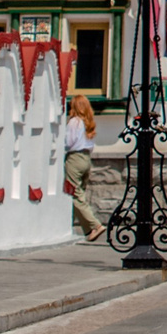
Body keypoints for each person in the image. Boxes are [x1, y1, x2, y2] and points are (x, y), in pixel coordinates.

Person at [64, 94, 104, 243]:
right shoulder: (89, 122)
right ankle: (89, 229)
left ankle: (95, 225)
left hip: (75, 158)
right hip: (86, 158)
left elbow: (68, 142)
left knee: (74, 194)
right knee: (80, 193)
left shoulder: (74, 122)